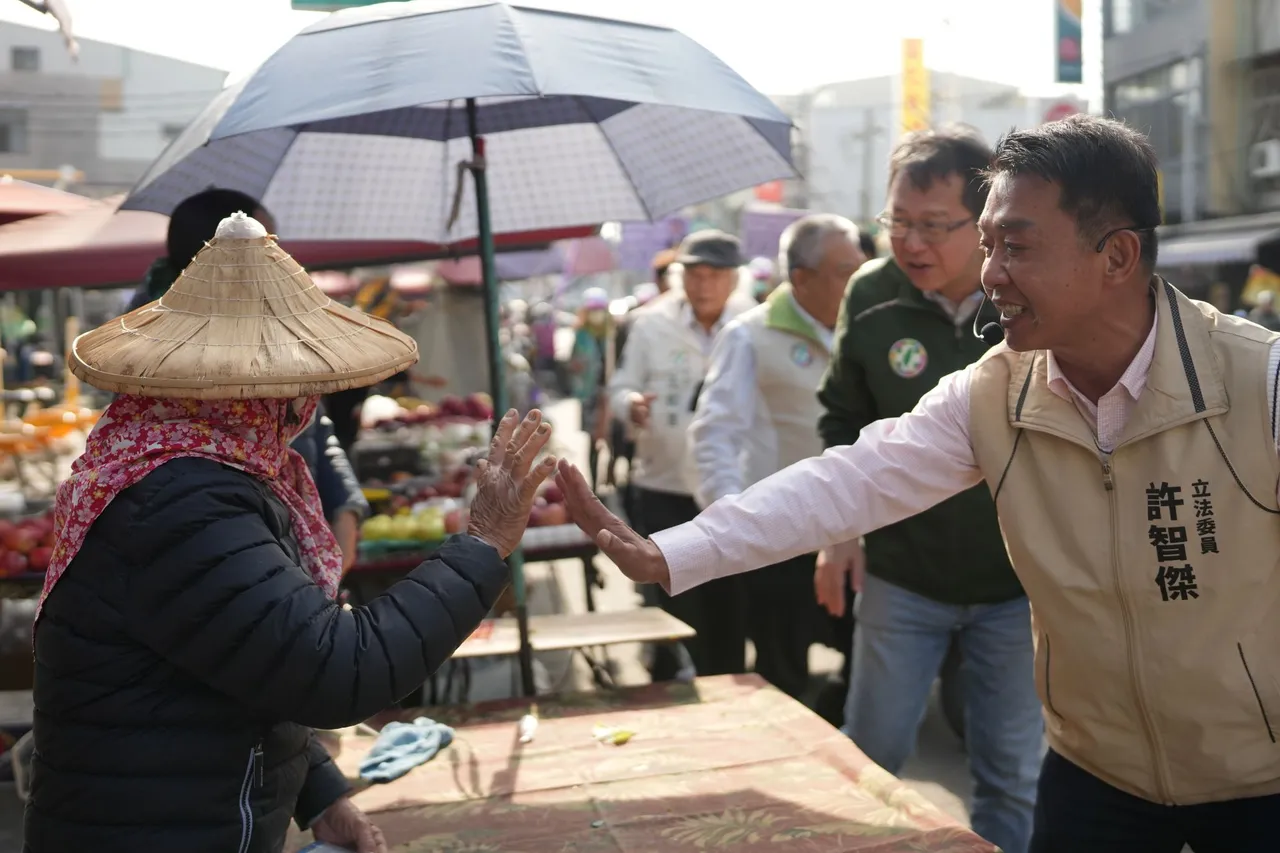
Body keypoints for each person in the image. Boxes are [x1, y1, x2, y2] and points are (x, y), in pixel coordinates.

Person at [556, 113, 1280, 852]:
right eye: (989, 244)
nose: (991, 273)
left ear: (1117, 255)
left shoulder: (1260, 382)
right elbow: (850, 478)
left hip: (1259, 775)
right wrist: (673, 551)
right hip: (1099, 769)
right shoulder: (995, 392)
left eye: (1018, 248)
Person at [30, 212, 558, 853]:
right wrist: (483, 544)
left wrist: (320, 793)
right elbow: (337, 669)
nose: (305, 405)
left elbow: (251, 657)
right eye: (294, 387)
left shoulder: (200, 475)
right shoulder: (180, 501)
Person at [814, 127, 1039, 853]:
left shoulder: (1027, 293)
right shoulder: (872, 294)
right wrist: (838, 530)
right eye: (897, 221)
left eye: (932, 226)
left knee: (1011, 769)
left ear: (983, 225)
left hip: (1016, 584)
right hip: (903, 575)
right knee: (872, 751)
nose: (910, 242)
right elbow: (843, 418)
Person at [690, 214, 863, 700]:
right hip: (781, 537)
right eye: (847, 269)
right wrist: (734, 521)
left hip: (859, 532)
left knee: (864, 667)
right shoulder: (750, 335)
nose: (862, 276)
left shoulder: (866, 328)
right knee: (783, 673)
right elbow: (714, 433)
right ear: (802, 278)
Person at [609, 229, 755, 681]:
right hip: (664, 484)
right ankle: (675, 684)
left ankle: (727, 687)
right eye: (695, 274)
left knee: (729, 603)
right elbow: (617, 387)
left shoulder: (753, 324)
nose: (704, 284)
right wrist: (630, 404)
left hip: (735, 490)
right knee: (675, 598)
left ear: (733, 279)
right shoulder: (651, 323)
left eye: (715, 275)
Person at [569, 287, 615, 490]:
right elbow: (573, 363)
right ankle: (594, 485)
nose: (596, 313)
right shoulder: (581, 334)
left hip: (612, 393)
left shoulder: (613, 332)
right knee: (592, 440)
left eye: (600, 309)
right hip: (589, 394)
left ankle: (611, 471)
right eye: (593, 309)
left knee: (612, 436)